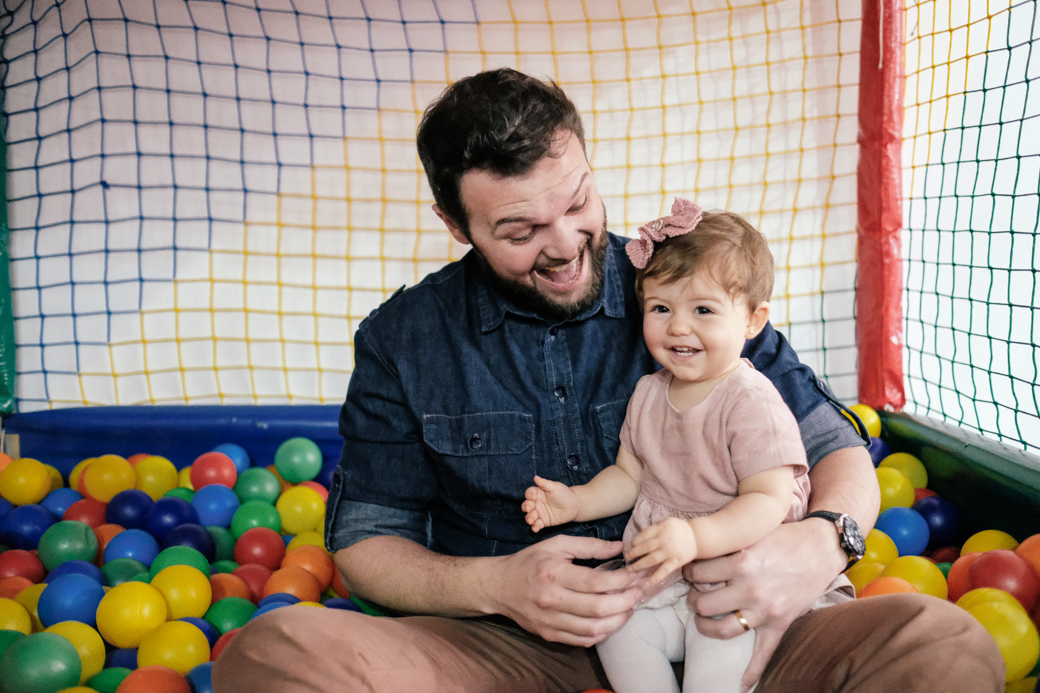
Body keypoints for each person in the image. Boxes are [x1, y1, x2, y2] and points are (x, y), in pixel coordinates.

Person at [211, 68, 1004, 693]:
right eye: (519, 231)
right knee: (274, 653)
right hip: (512, 647)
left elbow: (838, 453)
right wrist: (499, 585)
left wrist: (818, 543)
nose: (565, 246)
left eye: (578, 202)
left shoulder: (689, 283)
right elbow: (363, 546)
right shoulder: (405, 340)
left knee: (944, 643)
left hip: (727, 621)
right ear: (456, 225)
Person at [521, 200, 852, 693]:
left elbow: (768, 500)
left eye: (703, 310)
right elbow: (630, 477)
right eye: (661, 308)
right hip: (667, 580)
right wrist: (577, 501)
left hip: (737, 579)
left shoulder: (749, 399)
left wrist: (696, 539)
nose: (678, 326)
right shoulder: (650, 392)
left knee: (715, 653)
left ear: (753, 320)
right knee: (618, 630)